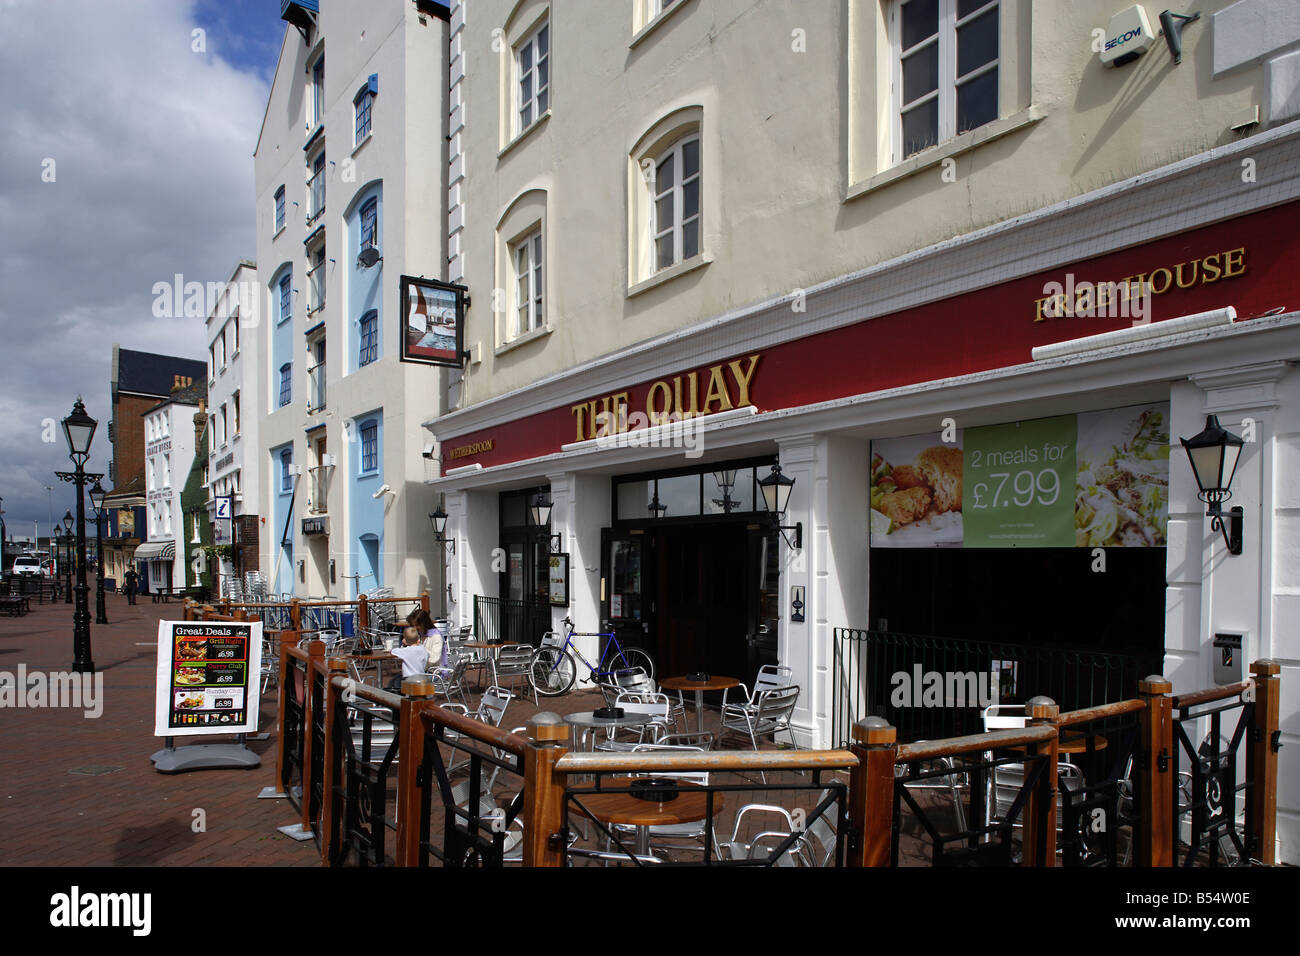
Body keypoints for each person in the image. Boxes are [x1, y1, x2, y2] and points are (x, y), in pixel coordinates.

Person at [387, 626, 430, 691]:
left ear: (405, 640)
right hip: (421, 676)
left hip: (408, 678)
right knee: (397, 678)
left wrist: (404, 645)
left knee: (393, 682)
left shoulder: (406, 651)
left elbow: (393, 651)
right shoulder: (423, 649)